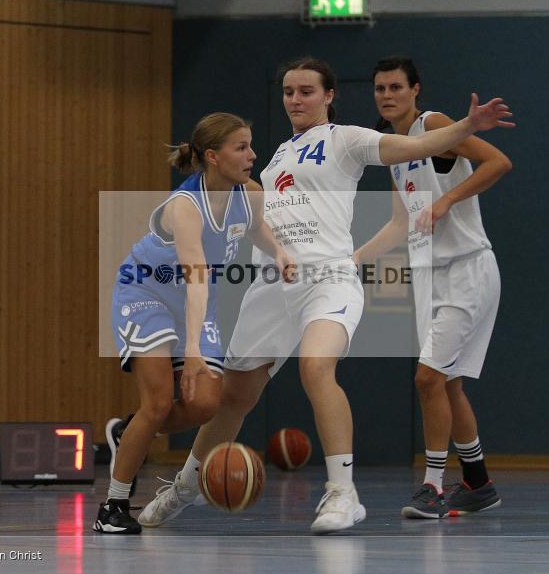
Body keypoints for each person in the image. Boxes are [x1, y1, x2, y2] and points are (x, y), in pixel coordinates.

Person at [137, 56, 514, 534]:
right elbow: (257, 215)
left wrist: (466, 125)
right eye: (289, 91)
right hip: (273, 286)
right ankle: (186, 488)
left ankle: (342, 493)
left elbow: (417, 143)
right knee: (233, 397)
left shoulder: (346, 140)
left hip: (328, 280)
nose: (296, 99)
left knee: (317, 367)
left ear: (329, 96)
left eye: (306, 91)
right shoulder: (273, 158)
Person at [94, 113, 294, 534]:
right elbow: (197, 280)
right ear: (212, 157)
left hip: (194, 303)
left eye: (250, 144)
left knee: (205, 403)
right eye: (241, 147)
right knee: (160, 401)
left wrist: (278, 251)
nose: (252, 154)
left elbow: (255, 228)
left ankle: (128, 433)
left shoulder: (249, 192)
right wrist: (191, 351)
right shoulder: (186, 208)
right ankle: (112, 507)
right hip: (146, 292)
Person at [354, 56, 513, 518]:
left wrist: (446, 200)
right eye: (380, 88)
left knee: (428, 379)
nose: (386, 95)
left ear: (415, 90)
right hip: (429, 274)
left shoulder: (434, 124)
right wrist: (356, 258)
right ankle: (479, 483)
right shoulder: (394, 147)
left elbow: (498, 161)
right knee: (449, 385)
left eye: (395, 87)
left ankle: (432, 487)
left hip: (467, 268)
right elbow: (401, 221)